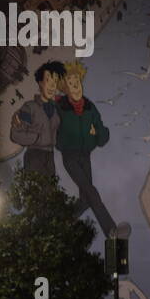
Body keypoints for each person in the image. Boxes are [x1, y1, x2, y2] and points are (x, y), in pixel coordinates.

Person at [55, 60, 116, 236]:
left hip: (85, 155)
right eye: (71, 83)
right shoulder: (60, 108)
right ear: (65, 88)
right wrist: (62, 141)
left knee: (85, 200)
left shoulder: (90, 108)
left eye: (78, 82)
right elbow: (54, 133)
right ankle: (111, 229)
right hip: (70, 157)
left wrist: (97, 132)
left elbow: (103, 137)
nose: (76, 86)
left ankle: (61, 226)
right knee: (91, 192)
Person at [11, 60, 66, 176]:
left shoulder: (56, 110)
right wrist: (36, 138)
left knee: (50, 192)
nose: (52, 86)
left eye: (55, 81)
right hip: (34, 155)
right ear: (40, 82)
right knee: (36, 191)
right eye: (48, 80)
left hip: (50, 156)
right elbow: (16, 134)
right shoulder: (29, 108)